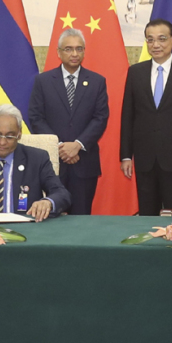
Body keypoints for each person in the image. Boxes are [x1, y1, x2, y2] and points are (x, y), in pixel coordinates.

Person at [120, 19, 172, 215]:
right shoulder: (135, 72)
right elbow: (128, 116)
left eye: (161, 39)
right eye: (150, 40)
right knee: (147, 212)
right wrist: (126, 155)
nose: (155, 45)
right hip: (145, 157)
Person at [29, 29, 109, 215]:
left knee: (81, 218)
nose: (74, 54)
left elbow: (101, 117)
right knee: (51, 215)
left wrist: (78, 145)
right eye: (68, 49)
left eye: (79, 49)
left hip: (84, 162)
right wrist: (60, 147)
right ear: (58, 52)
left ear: (84, 51)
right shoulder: (43, 81)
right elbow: (36, 118)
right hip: (53, 162)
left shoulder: (97, 81)